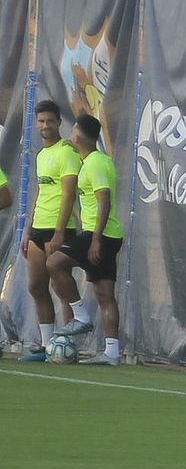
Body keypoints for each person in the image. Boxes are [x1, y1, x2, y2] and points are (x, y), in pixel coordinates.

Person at [46, 115, 123, 365]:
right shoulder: (89, 159)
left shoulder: (95, 163)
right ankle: (112, 352)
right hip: (105, 234)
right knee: (104, 293)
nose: (69, 135)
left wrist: (96, 240)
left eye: (72, 132)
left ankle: (80, 316)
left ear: (78, 135)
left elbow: (104, 200)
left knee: (54, 263)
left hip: (100, 234)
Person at [18, 100, 82, 361]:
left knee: (62, 287)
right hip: (37, 229)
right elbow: (41, 192)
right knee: (36, 286)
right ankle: (47, 347)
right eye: (41, 121)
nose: (45, 126)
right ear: (36, 124)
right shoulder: (41, 155)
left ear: (59, 123)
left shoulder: (66, 153)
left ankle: (68, 347)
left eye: (50, 121)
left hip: (60, 229)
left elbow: (68, 194)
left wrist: (58, 233)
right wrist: (27, 230)